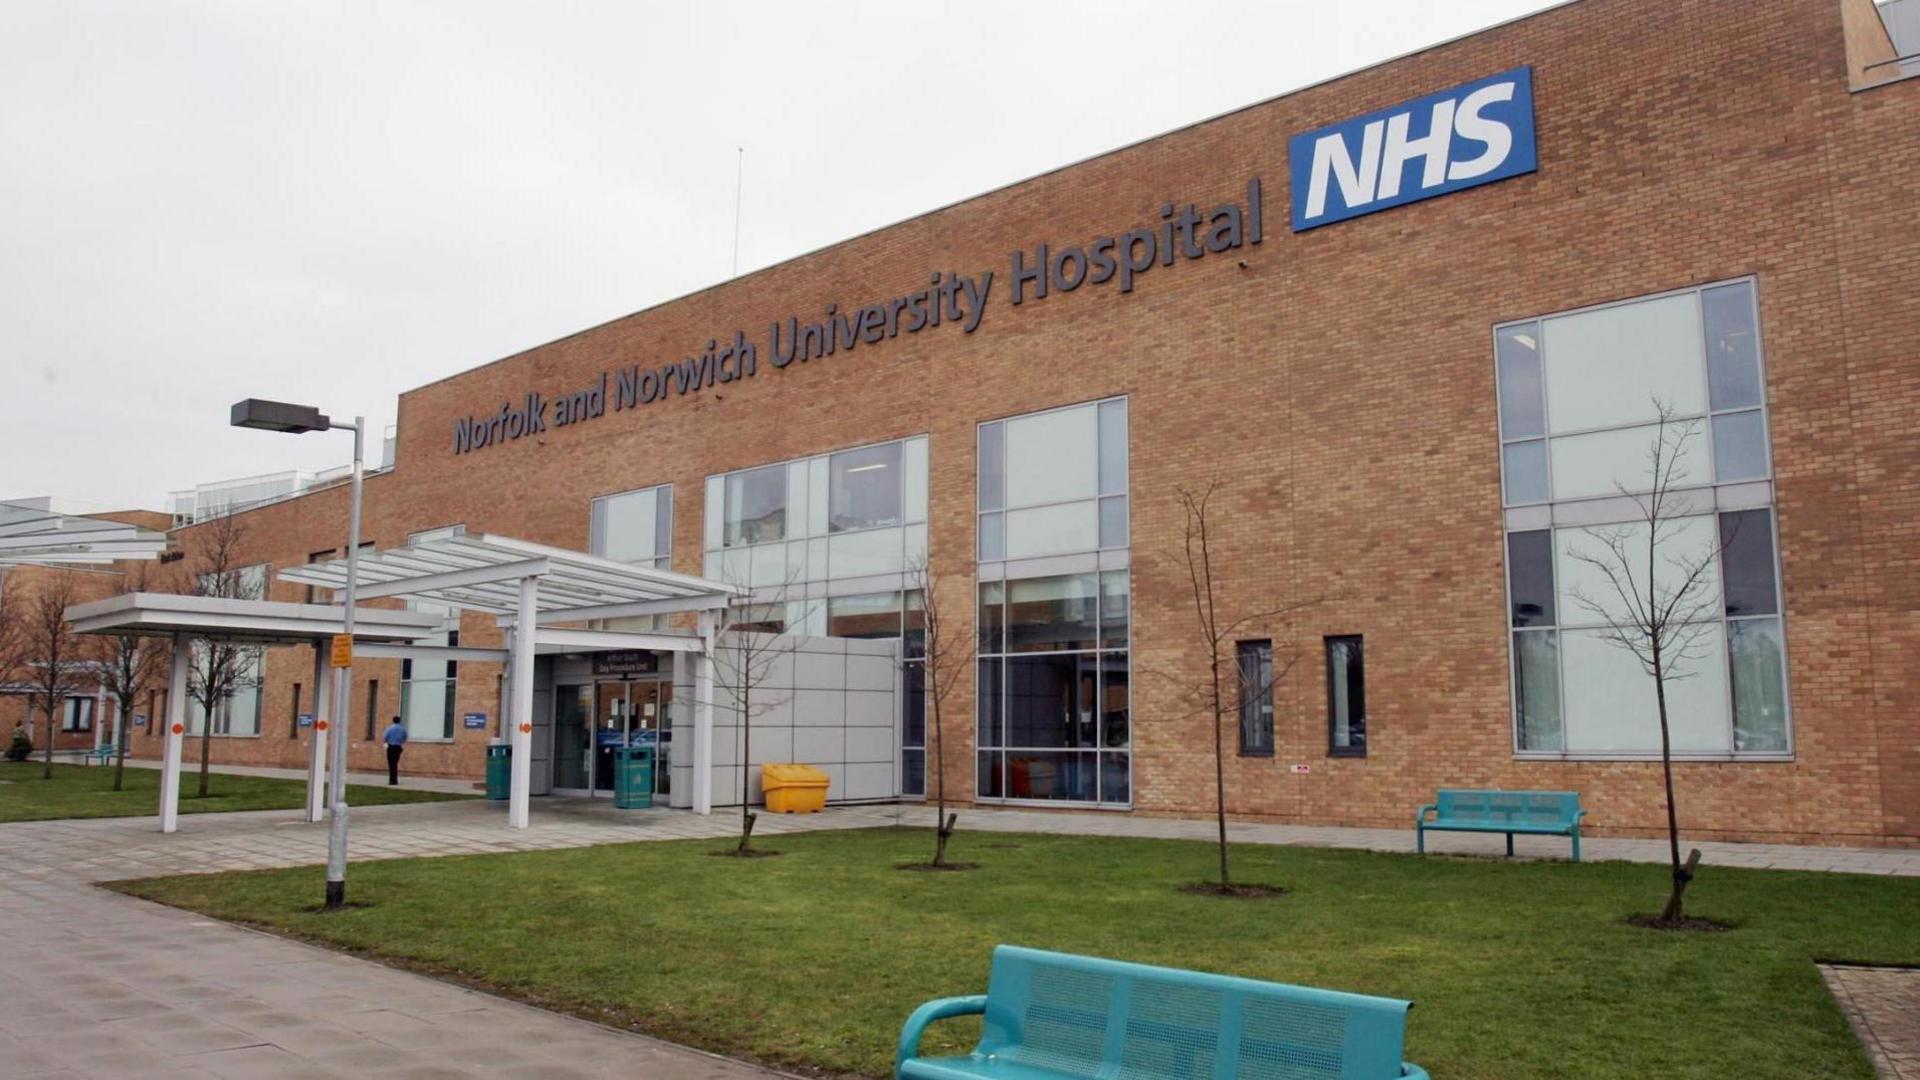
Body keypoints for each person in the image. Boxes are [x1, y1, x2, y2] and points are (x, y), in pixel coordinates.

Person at [382, 716, 408, 785]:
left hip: (391, 747)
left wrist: (386, 743)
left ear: (393, 720)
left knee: (391, 764)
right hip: (398, 747)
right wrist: (401, 742)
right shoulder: (402, 729)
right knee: (395, 763)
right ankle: (395, 780)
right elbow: (405, 737)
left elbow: (385, 737)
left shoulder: (389, 728)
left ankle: (392, 780)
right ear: (399, 721)